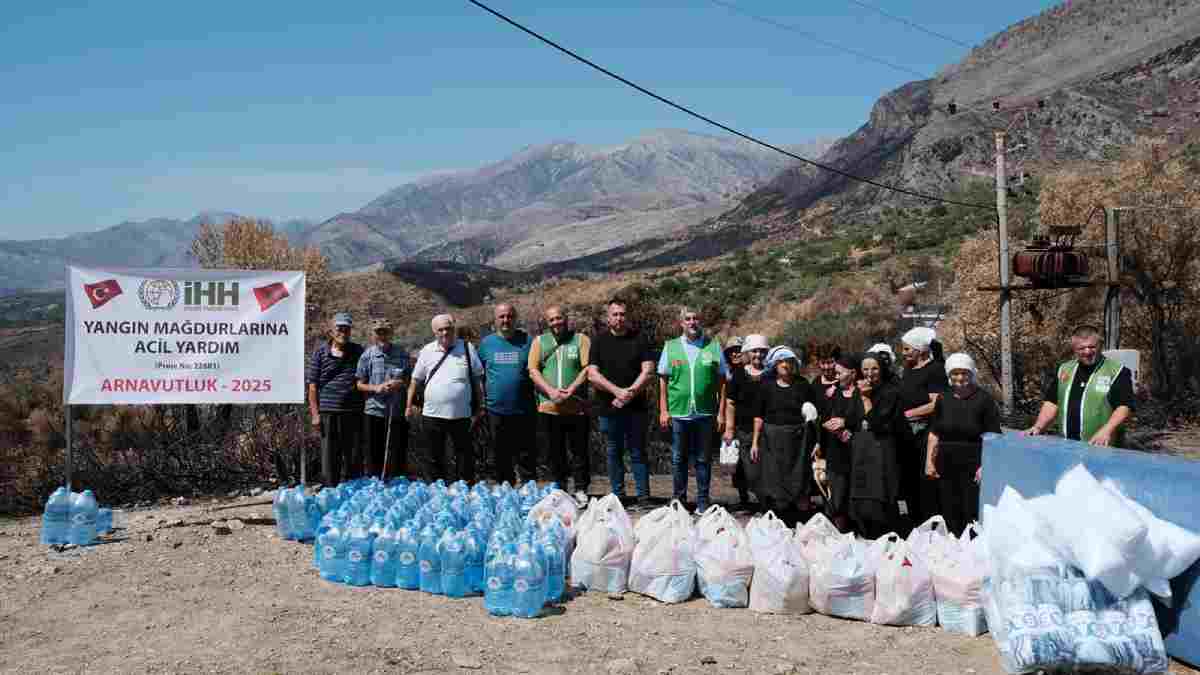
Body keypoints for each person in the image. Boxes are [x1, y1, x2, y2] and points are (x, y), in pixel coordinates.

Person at [658, 306, 729, 512]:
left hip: (705, 413)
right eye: (688, 319)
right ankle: (679, 501)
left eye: (696, 319)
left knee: (703, 459)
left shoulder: (713, 347)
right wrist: (663, 410)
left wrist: (721, 412)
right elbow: (663, 380)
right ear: (681, 323)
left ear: (701, 322)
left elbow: (723, 380)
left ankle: (702, 502)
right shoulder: (670, 347)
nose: (692, 322)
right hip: (678, 412)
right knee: (678, 459)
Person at [588, 297, 655, 506]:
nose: (619, 318)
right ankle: (619, 496)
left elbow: (648, 370)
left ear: (628, 316)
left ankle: (644, 497)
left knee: (638, 452)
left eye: (622, 314)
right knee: (613, 452)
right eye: (615, 314)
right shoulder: (599, 341)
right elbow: (592, 374)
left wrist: (629, 393)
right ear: (608, 318)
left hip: (636, 407)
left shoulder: (640, 339)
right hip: (609, 408)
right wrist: (617, 392)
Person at [926, 353, 1001, 536]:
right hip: (946, 460)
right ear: (949, 375)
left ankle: (972, 550)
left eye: (964, 373)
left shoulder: (984, 400)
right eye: (955, 373)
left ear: (972, 374)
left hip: (974, 462)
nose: (960, 378)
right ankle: (954, 548)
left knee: (971, 509)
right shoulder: (943, 399)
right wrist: (929, 461)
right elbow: (934, 433)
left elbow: (993, 437)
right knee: (949, 507)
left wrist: (985, 465)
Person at [1027, 325, 1135, 447]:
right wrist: (1038, 427)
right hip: (1067, 446)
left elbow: (1124, 406)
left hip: (1102, 448)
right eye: (1082, 348)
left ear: (1100, 345)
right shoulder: (1064, 369)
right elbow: (1052, 402)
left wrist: (1106, 430)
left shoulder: (1117, 371)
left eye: (1092, 347)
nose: (1087, 351)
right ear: (1074, 349)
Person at [406, 314, 484, 482]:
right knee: (433, 455)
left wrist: (481, 406)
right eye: (440, 330)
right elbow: (415, 380)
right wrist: (408, 405)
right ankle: (436, 490)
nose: (445, 332)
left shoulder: (467, 348)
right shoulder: (427, 351)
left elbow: (477, 379)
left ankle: (465, 488)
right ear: (434, 332)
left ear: (453, 329)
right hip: (432, 414)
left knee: (464, 455)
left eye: (448, 328)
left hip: (462, 414)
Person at [529, 305, 592, 505]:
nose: (556, 322)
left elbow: (588, 368)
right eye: (552, 320)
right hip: (549, 407)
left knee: (579, 451)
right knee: (554, 452)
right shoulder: (540, 341)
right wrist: (550, 391)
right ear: (547, 323)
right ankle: (560, 488)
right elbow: (533, 370)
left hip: (576, 407)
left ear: (566, 318)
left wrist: (571, 389)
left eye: (559, 318)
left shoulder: (581, 340)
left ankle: (581, 489)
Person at [750, 346, 818, 516]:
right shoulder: (766, 386)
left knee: (798, 478)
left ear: (794, 364)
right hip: (771, 440)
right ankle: (777, 516)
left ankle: (799, 517)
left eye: (788, 361)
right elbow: (758, 417)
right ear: (774, 364)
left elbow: (813, 415)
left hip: (798, 441)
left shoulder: (803, 385)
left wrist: (816, 441)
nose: (785, 365)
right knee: (774, 478)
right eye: (781, 361)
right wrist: (755, 443)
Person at [478, 303, 537, 485]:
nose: (506, 320)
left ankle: (529, 489)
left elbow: (538, 369)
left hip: (524, 408)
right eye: (502, 317)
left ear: (515, 318)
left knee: (526, 453)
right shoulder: (487, 344)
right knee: (499, 453)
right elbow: (478, 374)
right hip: (495, 409)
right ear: (495, 320)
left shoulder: (528, 341)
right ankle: (506, 489)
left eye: (510, 316)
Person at [848, 352, 903, 539]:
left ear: (882, 369)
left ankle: (886, 535)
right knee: (862, 490)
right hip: (862, 449)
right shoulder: (858, 389)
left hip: (882, 447)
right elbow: (852, 418)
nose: (869, 373)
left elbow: (879, 422)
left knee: (882, 490)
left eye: (874, 368)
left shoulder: (890, 392)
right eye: (865, 369)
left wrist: (866, 399)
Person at [306, 312, 365, 486]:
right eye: (339, 329)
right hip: (328, 413)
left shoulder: (358, 351)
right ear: (331, 331)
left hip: (353, 412)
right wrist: (315, 415)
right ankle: (330, 490)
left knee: (353, 456)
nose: (343, 333)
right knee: (330, 456)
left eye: (347, 329)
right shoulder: (320, 353)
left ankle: (351, 493)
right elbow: (312, 386)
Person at [897, 327, 946, 526]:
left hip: (925, 432)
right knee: (908, 479)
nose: (904, 353)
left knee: (925, 480)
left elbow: (937, 403)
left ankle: (930, 522)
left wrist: (910, 413)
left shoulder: (935, 370)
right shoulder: (907, 370)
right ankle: (912, 521)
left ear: (920, 350)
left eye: (908, 349)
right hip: (907, 434)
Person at [355, 318, 411, 478]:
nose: (382, 335)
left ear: (391, 333)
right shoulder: (368, 355)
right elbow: (359, 384)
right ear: (373, 335)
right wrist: (376, 388)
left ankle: (397, 487)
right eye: (379, 332)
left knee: (397, 452)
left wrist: (399, 383)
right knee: (374, 454)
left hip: (396, 411)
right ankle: (375, 485)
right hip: (374, 411)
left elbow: (409, 379)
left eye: (385, 332)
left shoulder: (402, 353)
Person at [723, 334, 770, 510]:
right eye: (754, 351)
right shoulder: (739, 374)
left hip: (768, 429)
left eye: (762, 351)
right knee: (748, 469)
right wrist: (729, 428)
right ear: (748, 353)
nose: (758, 355)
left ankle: (766, 505)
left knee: (765, 469)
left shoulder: (771, 374)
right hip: (744, 428)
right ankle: (750, 501)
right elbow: (730, 402)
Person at [817, 353, 861, 532]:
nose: (835, 376)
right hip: (836, 449)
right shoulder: (833, 394)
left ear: (852, 373)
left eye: (839, 373)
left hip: (856, 449)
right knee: (837, 492)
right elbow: (825, 418)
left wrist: (847, 425)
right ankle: (839, 531)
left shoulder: (862, 393)